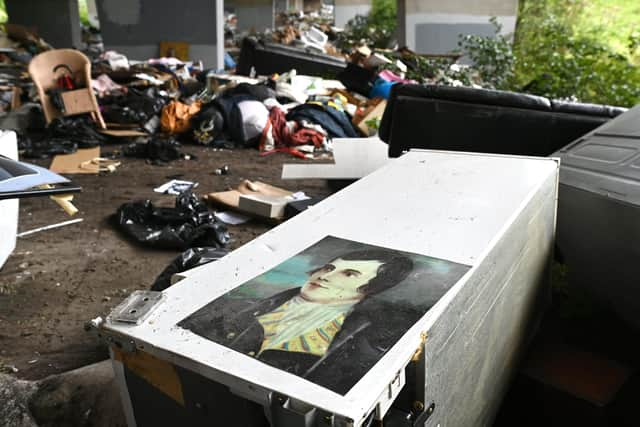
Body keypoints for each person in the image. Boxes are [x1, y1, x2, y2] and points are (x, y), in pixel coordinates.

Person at [179, 249, 417, 395]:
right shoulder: (239, 309)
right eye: (329, 267)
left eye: (349, 273)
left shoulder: (361, 349)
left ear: (373, 288)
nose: (324, 275)